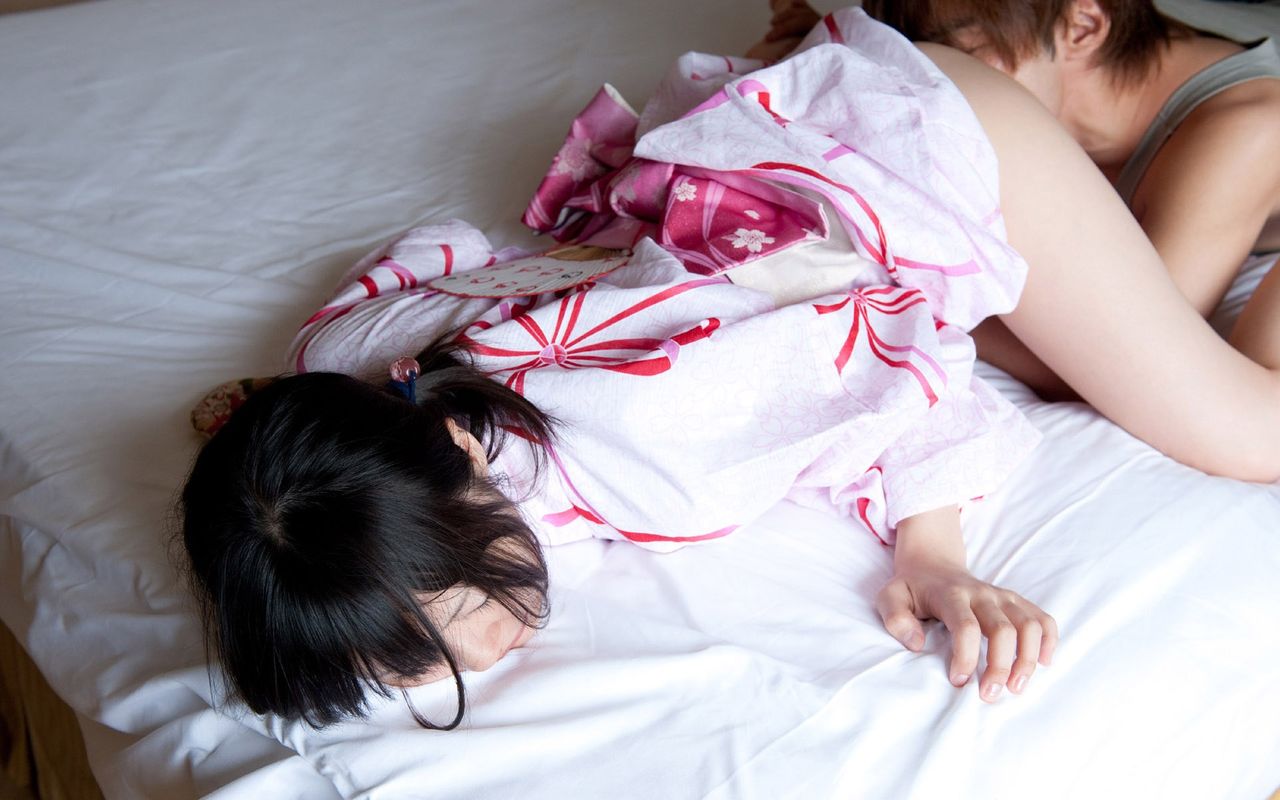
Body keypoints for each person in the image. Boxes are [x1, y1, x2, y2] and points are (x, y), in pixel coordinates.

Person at [182, 6, 1280, 731]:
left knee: (1250, 434)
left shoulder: (651, 437)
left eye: (455, 601)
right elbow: (440, 245)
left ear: (465, 454)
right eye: (394, 664)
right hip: (791, 149)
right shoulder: (344, 361)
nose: (467, 652)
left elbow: (903, 365)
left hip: (930, 147)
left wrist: (932, 553)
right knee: (1097, 352)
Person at [801, 0, 1280, 396]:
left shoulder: (1245, 130)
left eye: (965, 57)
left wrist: (909, 294)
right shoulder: (1059, 99)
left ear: (1083, 25)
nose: (937, 81)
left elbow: (1124, 367)